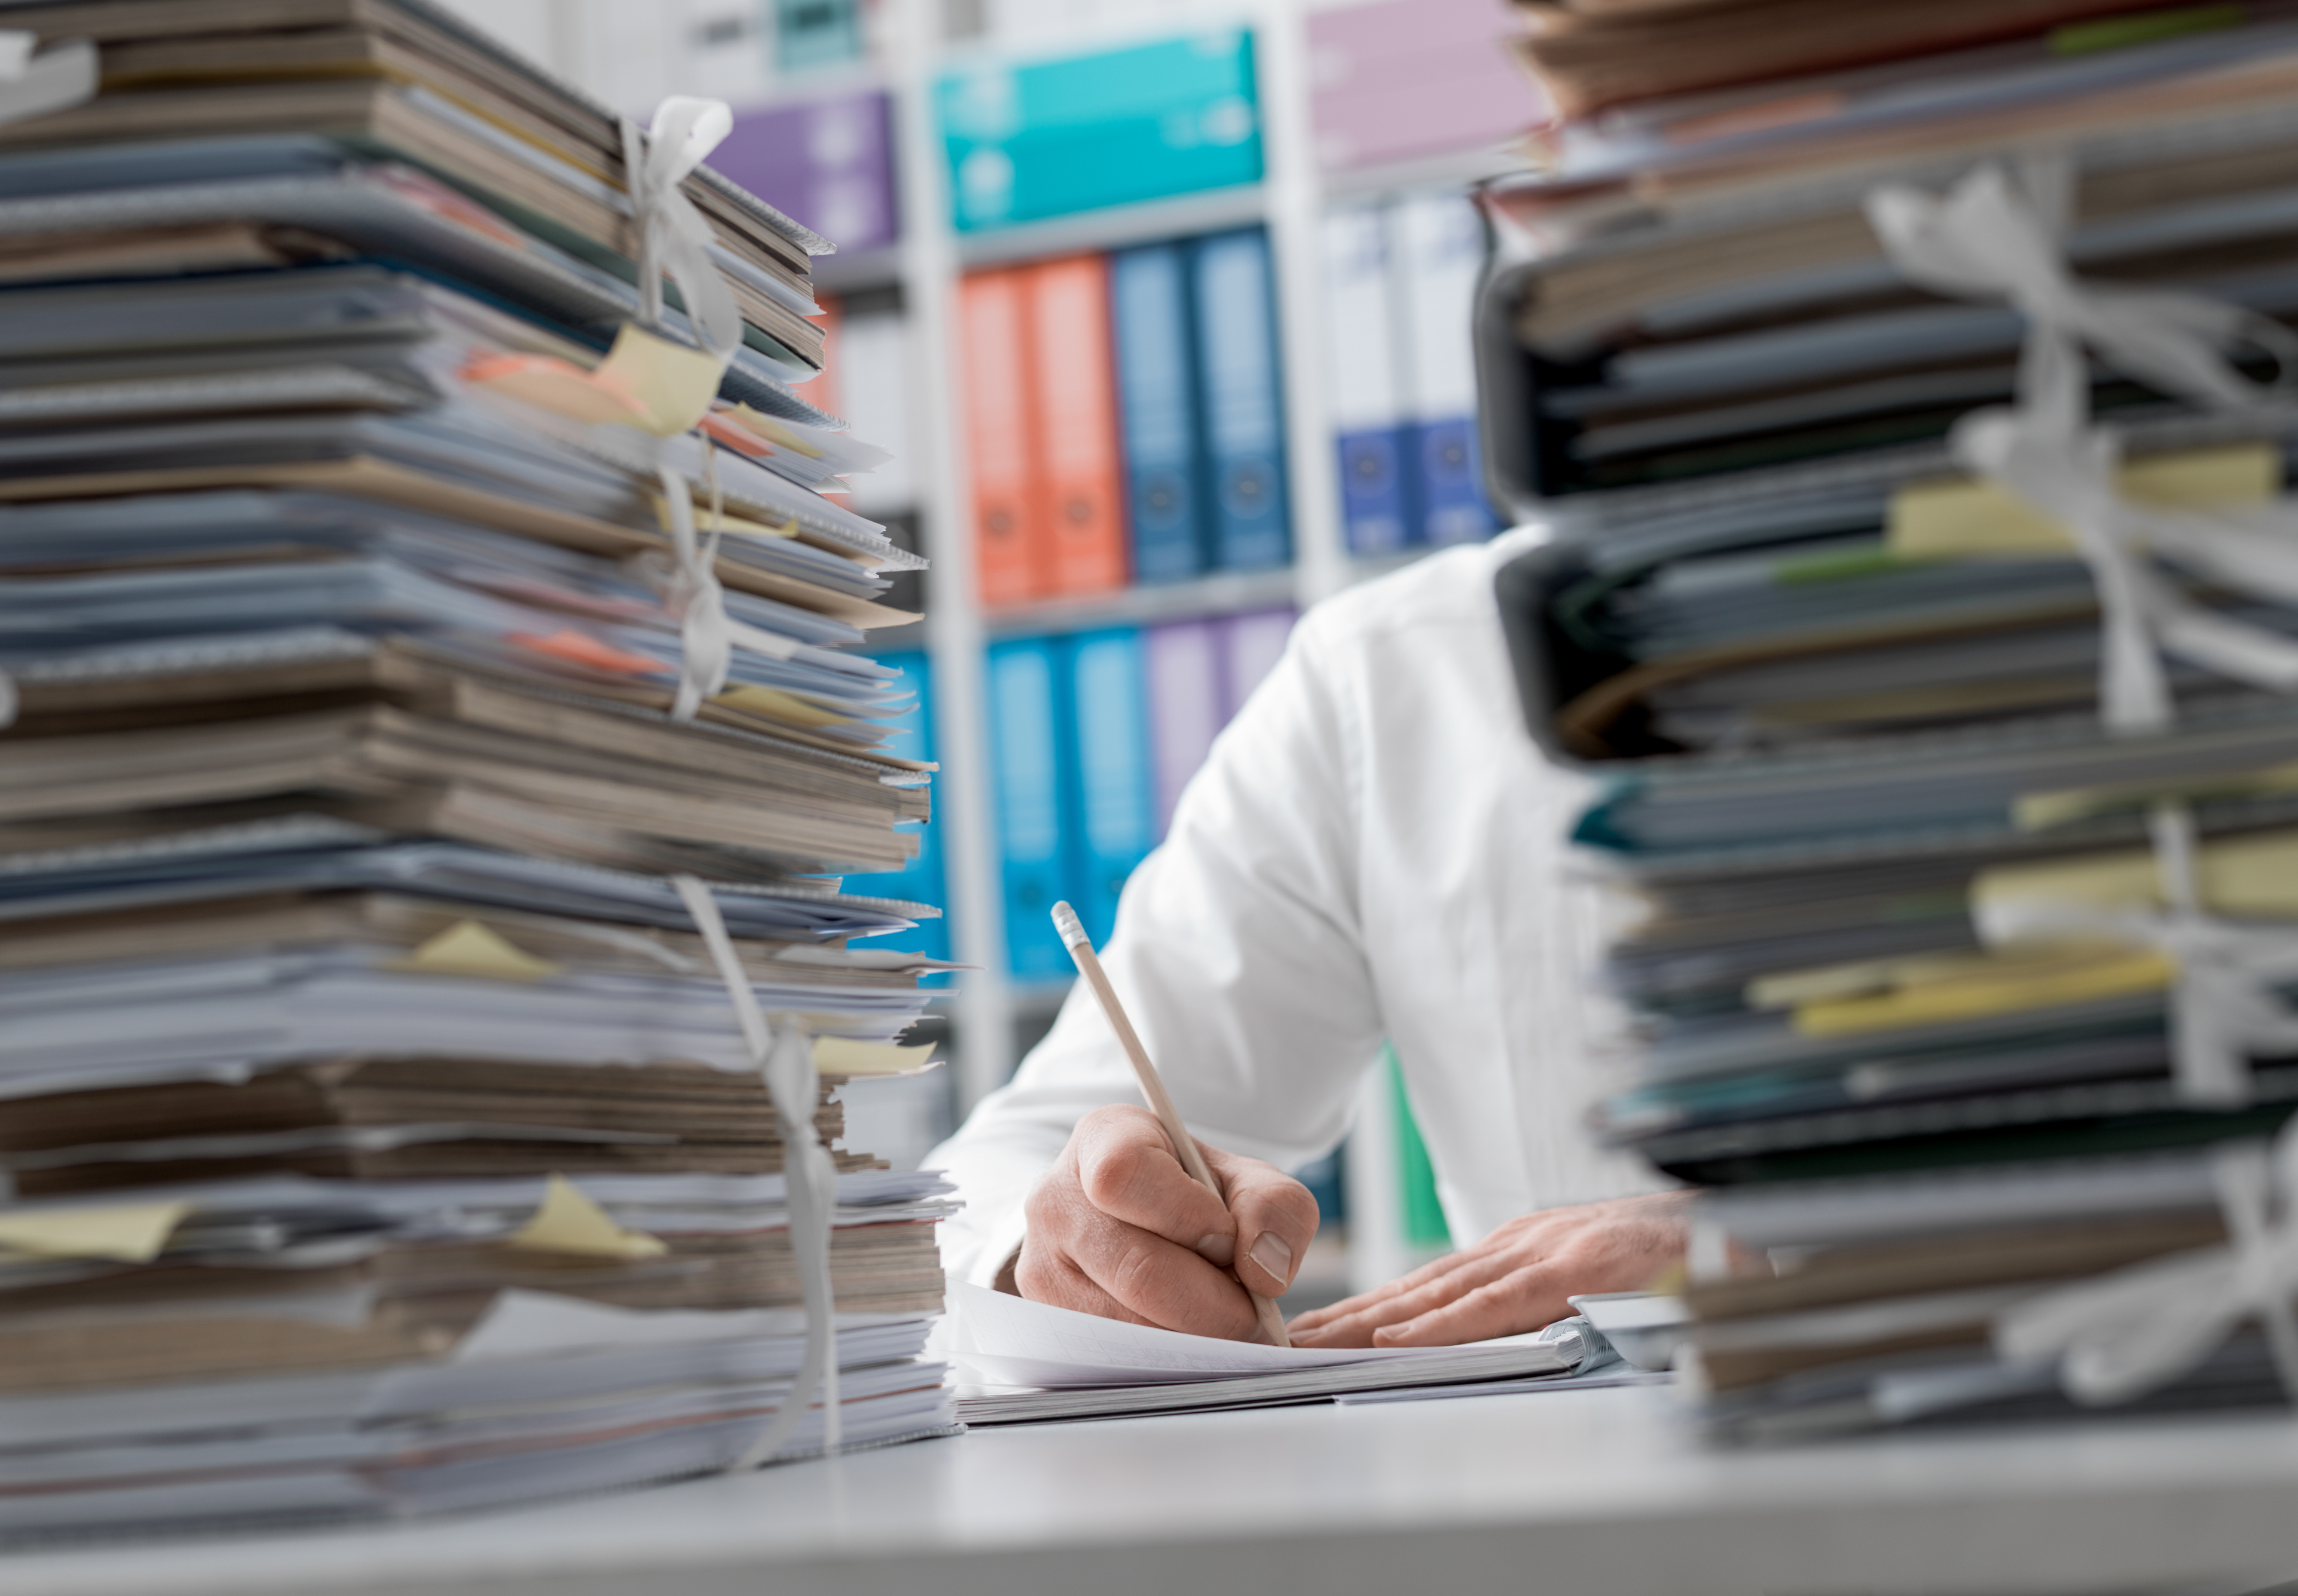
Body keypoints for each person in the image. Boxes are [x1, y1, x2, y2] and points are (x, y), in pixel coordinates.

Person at [926, 528, 1686, 1348]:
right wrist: (1058, 1246)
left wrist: (1789, 1240)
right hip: (1575, 1460)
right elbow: (1009, 1164)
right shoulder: (1390, 671)